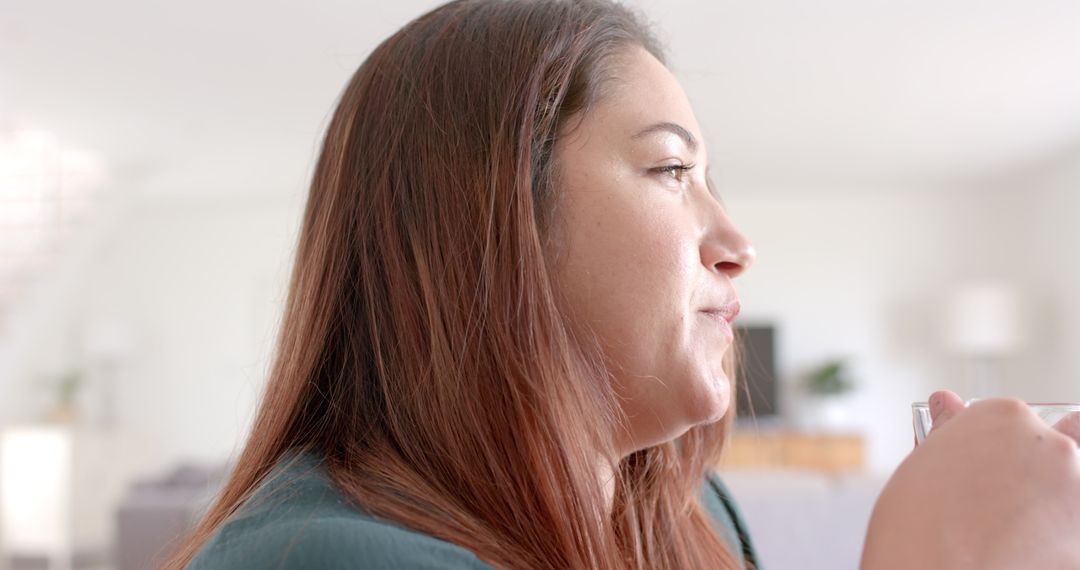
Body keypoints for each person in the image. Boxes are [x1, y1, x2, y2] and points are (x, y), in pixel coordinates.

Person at [164, 1, 1080, 568]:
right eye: (671, 171)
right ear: (488, 217)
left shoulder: (691, 511)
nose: (736, 243)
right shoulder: (323, 559)